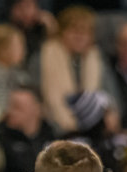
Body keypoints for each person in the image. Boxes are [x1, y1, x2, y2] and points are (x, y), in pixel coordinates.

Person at [40, 6, 117, 134]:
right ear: (61, 32)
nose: (79, 37)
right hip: (53, 129)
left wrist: (110, 111)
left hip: (94, 130)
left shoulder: (97, 58)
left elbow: (110, 95)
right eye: (73, 31)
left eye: (85, 32)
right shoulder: (43, 57)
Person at [0, 87, 53, 172]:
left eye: (17, 107)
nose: (10, 111)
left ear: (38, 109)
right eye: (9, 106)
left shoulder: (54, 139)